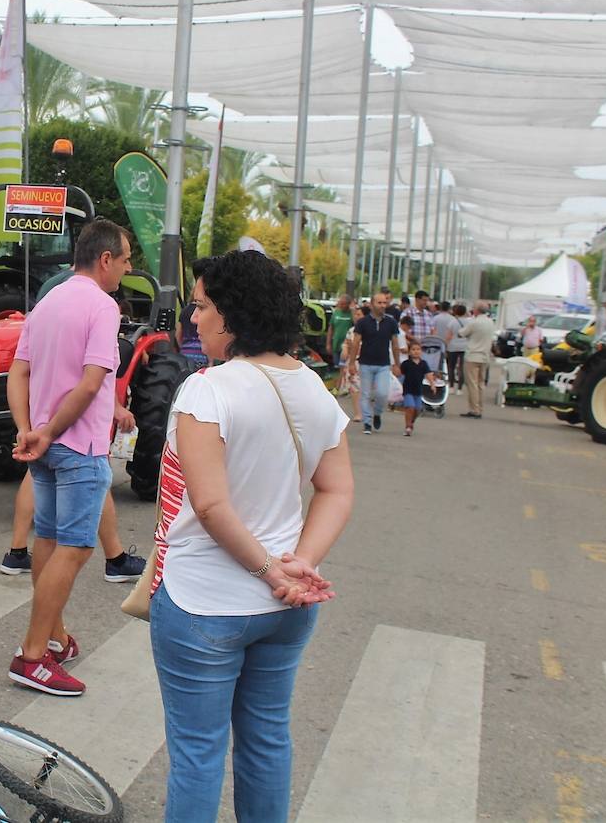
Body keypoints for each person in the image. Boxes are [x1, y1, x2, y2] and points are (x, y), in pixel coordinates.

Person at [153, 251, 353, 823]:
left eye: (202, 306)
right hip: (287, 606)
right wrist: (299, 567)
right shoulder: (314, 388)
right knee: (267, 742)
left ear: (232, 316)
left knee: (197, 754)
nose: (194, 319)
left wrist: (269, 569)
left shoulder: (207, 390)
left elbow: (211, 506)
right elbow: (336, 491)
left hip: (204, 603)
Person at [7, 219, 133, 697]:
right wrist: (51, 430)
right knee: (77, 547)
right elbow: (91, 382)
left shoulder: (47, 303)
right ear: (104, 259)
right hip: (77, 445)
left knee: (51, 540)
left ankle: (54, 637)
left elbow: (18, 374)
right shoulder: (103, 307)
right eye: (123, 260)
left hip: (43, 443)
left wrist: (29, 430)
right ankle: (33, 656)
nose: (125, 269)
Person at [0, 444, 148, 584]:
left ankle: (17, 552)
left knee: (46, 537)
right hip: (76, 440)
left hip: (46, 433)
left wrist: (26, 429)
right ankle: (116, 559)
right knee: (73, 546)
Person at [352, 289, 402, 435]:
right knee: (366, 394)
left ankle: (378, 413)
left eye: (384, 303)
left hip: (383, 364)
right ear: (372, 304)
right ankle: (367, 422)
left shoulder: (391, 322)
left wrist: (397, 364)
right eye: (379, 302)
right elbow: (355, 343)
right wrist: (350, 363)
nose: (382, 305)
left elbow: (395, 344)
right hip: (366, 363)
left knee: (382, 393)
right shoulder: (363, 322)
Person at [458, 302, 496, 419]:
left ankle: (474, 409)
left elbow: (461, 333)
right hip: (485, 356)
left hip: (473, 356)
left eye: (473, 308)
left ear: (477, 310)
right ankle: (480, 408)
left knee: (472, 384)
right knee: (480, 384)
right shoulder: (490, 322)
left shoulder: (474, 322)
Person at [399, 340, 438, 436]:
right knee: (410, 407)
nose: (416, 351)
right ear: (409, 352)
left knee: (417, 409)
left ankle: (411, 422)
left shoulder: (423, 363)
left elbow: (428, 374)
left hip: (418, 390)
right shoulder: (406, 363)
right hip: (408, 389)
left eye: (418, 349)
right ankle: (407, 426)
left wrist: (432, 384)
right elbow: (400, 374)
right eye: (413, 349)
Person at [176, 301, 209, 371]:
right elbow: (208, 339)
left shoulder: (184, 311)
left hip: (185, 354)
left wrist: (183, 348)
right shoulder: (204, 311)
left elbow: (178, 335)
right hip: (201, 356)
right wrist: (211, 362)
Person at [326, 294, 354, 367]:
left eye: (343, 304)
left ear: (348, 304)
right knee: (337, 365)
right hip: (336, 343)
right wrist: (328, 343)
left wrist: (353, 310)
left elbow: (356, 324)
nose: (340, 305)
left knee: (344, 366)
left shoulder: (352, 313)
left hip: (347, 345)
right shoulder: (336, 312)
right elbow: (331, 328)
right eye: (340, 303)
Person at [447, 303, 469, 394]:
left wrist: (446, 345)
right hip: (465, 347)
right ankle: (460, 389)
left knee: (451, 367)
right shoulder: (469, 322)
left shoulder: (452, 322)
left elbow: (449, 336)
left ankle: (451, 387)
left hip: (453, 346)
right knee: (461, 368)